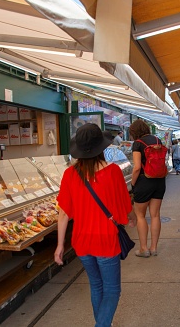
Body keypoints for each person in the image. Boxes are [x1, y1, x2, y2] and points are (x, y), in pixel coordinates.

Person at [55, 123, 135, 327]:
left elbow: (63, 213)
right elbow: (124, 204)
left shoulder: (69, 174)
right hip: (106, 240)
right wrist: (132, 217)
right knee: (112, 290)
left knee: (96, 286)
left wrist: (59, 245)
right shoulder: (113, 172)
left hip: (81, 241)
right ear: (101, 147)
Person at [129, 119, 166, 257]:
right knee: (155, 215)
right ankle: (154, 247)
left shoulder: (138, 144)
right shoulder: (157, 140)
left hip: (144, 181)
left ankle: (144, 249)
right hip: (160, 180)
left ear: (134, 132)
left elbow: (137, 167)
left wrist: (133, 183)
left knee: (140, 216)